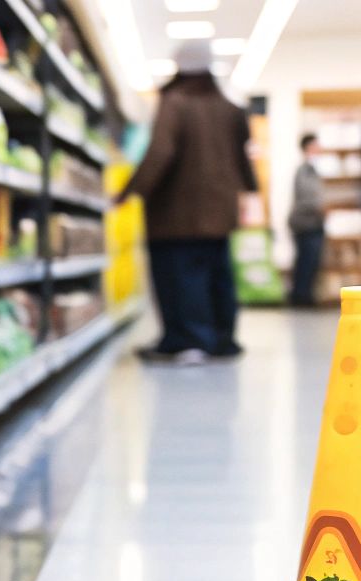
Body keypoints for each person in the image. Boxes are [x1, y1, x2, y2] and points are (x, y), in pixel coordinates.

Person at [117, 39, 257, 365]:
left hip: (176, 214)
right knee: (218, 276)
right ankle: (222, 340)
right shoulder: (229, 107)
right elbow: (243, 158)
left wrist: (131, 191)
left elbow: (160, 153)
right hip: (219, 212)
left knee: (178, 276)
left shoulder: (174, 102)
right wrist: (250, 192)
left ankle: (187, 341)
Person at [287, 133, 326, 307]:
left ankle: (305, 296)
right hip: (305, 223)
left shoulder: (313, 170)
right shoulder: (304, 170)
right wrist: (320, 207)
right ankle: (300, 297)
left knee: (310, 262)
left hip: (313, 223)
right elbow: (307, 197)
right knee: (305, 262)